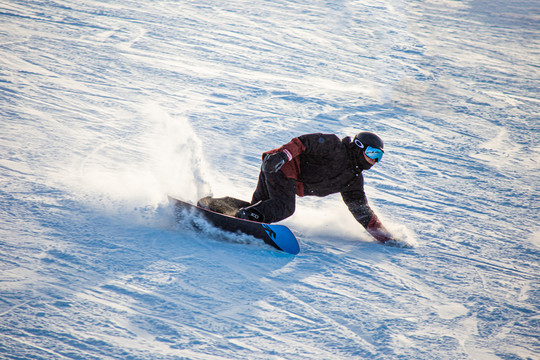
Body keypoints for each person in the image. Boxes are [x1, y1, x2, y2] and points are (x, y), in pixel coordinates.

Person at [234, 132, 396, 243]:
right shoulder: (334, 146)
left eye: (379, 157)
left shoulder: (353, 181)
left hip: (282, 172)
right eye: (373, 153)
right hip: (281, 165)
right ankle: (246, 217)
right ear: (359, 146)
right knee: (284, 207)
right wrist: (282, 156)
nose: (374, 160)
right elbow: (302, 143)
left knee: (262, 209)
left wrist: (385, 237)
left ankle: (228, 210)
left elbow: (361, 210)